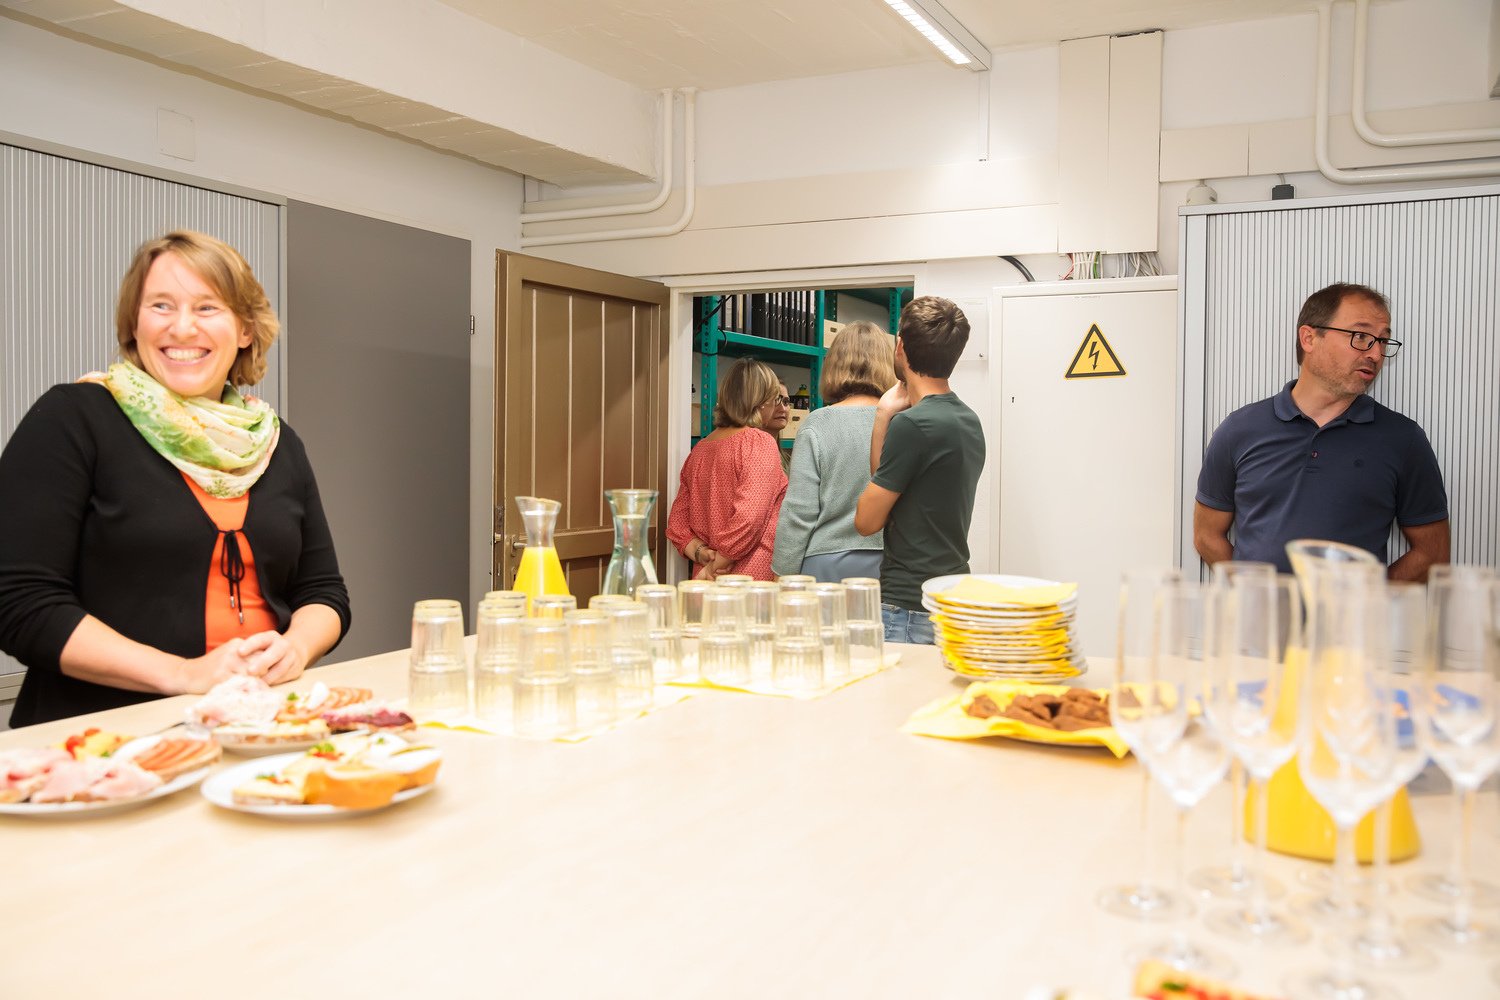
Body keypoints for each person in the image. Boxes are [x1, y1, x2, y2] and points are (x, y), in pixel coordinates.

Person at [0, 231, 351, 727]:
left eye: (207, 307)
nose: (182, 328)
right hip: (103, 737)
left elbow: (323, 592)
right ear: (135, 323)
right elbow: (20, 602)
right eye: (161, 305)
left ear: (245, 330)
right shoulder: (74, 418)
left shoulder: (275, 442)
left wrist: (294, 649)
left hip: (258, 725)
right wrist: (184, 674)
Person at [1194, 282, 1448, 578]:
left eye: (1382, 341)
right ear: (1309, 338)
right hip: (1259, 610)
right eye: (1361, 336)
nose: (1376, 354)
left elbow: (1433, 552)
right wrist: (1252, 593)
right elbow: (1206, 535)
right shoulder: (1239, 430)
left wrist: (1371, 600)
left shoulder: (1403, 440)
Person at [854, 298, 985, 644]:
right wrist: (887, 416)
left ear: (900, 346)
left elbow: (867, 521)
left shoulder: (913, 425)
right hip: (950, 599)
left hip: (908, 607)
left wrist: (883, 416)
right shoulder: (968, 419)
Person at [773, 322, 897, 583]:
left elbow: (799, 512)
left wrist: (783, 576)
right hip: (889, 562)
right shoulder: (902, 421)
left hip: (826, 565)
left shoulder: (818, 423)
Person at [667, 358, 788, 581]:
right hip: (748, 581)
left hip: (706, 580)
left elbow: (677, 523)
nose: (777, 406)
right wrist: (716, 565)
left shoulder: (700, 450)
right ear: (762, 402)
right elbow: (749, 519)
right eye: (776, 399)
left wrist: (702, 554)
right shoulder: (759, 442)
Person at [766, 380, 792, 475]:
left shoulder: (785, 459)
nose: (783, 409)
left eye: (786, 402)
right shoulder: (757, 456)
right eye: (775, 401)